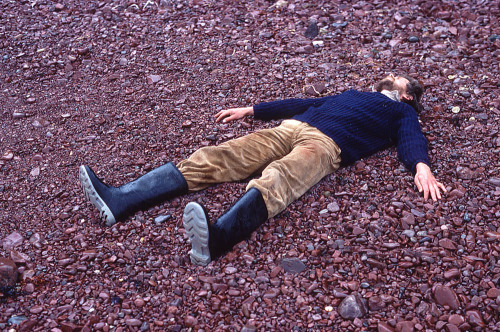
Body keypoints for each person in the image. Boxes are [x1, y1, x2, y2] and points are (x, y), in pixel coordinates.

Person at [79, 73, 446, 266]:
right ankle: (121, 199)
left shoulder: (402, 111)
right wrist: (252, 110)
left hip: (325, 145)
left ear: (407, 94)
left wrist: (421, 167)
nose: (391, 74)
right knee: (218, 155)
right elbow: (305, 102)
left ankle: (219, 237)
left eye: (398, 76)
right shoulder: (353, 93)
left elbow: (411, 137)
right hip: (290, 127)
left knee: (279, 178)